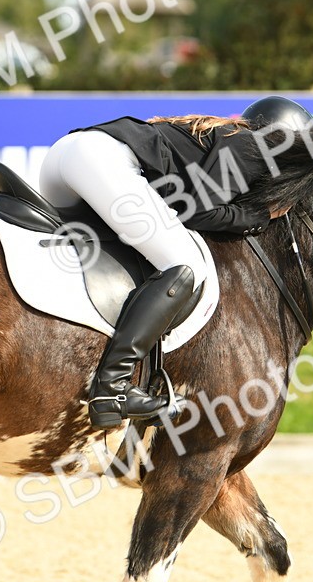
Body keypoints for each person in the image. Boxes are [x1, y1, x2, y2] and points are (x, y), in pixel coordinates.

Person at [38, 107, 294, 429]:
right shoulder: (250, 144)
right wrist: (259, 218)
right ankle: (113, 387)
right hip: (97, 161)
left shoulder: (221, 135)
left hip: (64, 159)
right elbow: (199, 213)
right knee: (185, 264)